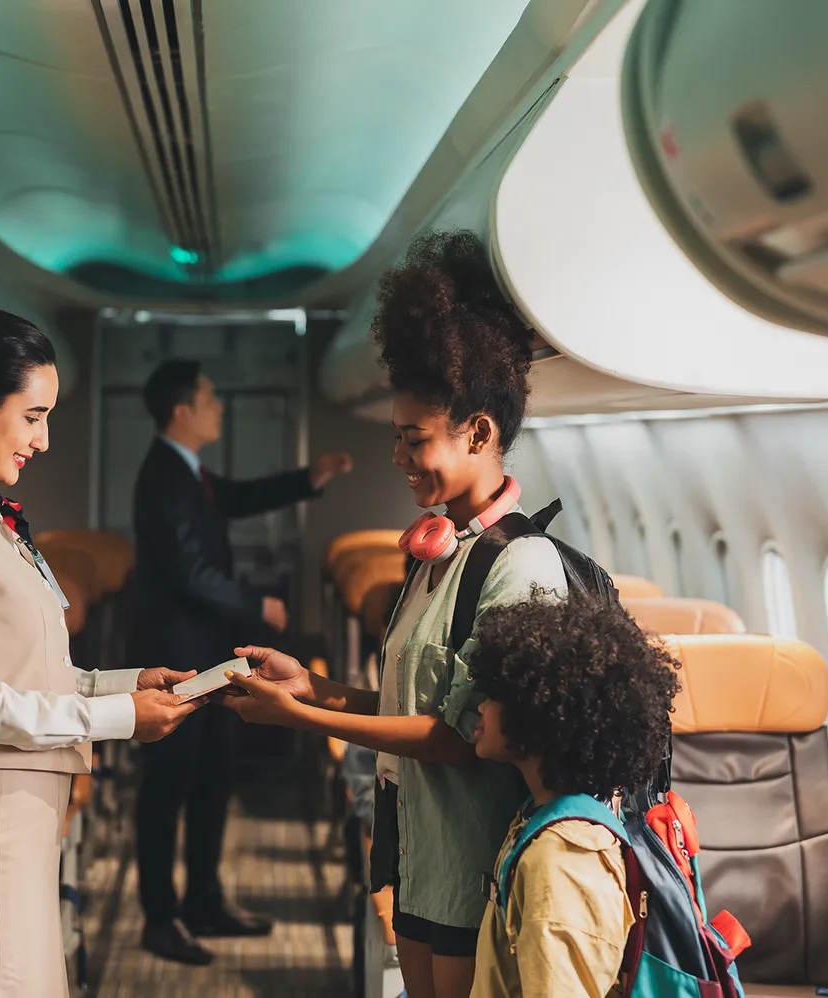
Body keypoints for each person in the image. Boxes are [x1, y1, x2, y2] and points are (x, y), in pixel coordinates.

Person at [219, 230, 568, 998]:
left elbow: (459, 739)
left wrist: (303, 720)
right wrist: (311, 686)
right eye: (396, 438)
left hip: (478, 873)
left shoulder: (522, 568)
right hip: (417, 859)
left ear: (480, 432)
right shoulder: (433, 553)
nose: (400, 457)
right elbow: (408, 705)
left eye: (416, 440)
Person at [0, 307, 201, 998]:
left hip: (18, 832)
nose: (45, 439)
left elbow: (33, 676)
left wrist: (128, 684)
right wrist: (121, 719)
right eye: (33, 416)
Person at [128, 357, 353, 965]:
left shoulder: (191, 473)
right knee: (167, 787)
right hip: (176, 659)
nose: (218, 407)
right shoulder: (162, 478)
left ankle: (204, 901)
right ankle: (159, 918)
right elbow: (189, 573)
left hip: (211, 656)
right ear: (181, 410)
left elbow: (241, 496)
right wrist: (259, 604)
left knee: (211, 779)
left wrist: (311, 477)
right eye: (209, 398)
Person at [465, 595, 681, 998]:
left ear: (540, 714)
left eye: (496, 695)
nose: (481, 707)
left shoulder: (564, 860)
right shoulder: (539, 819)